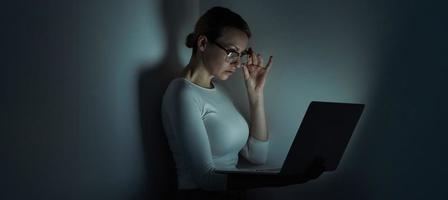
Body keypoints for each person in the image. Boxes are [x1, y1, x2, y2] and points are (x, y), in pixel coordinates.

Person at [161, 6, 325, 200]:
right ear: (203, 43)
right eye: (232, 53)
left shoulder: (220, 90)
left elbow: (257, 156)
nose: (238, 64)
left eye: (241, 55)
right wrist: (286, 179)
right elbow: (206, 179)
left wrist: (256, 95)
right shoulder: (182, 93)